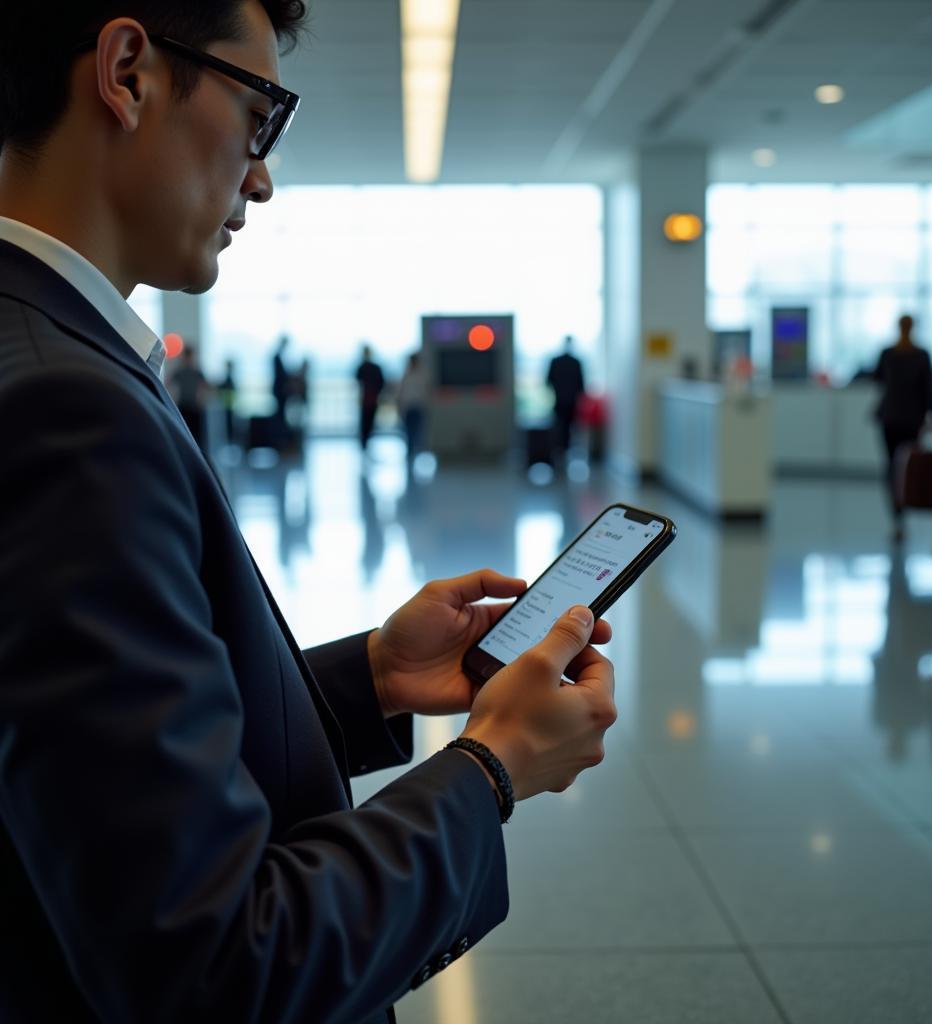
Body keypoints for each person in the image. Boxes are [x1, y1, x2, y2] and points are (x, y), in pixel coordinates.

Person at [0, 4, 617, 1022]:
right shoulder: (67, 410)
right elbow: (214, 970)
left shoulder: (51, 356)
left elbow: (92, 782)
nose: (261, 176)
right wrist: (491, 764)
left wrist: (368, 676)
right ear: (128, 72)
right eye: (259, 114)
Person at [873, 314, 932, 542]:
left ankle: (897, 517)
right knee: (907, 469)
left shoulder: (888, 354)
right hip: (912, 419)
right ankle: (905, 508)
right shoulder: (921, 355)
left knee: (891, 466)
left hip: (890, 416)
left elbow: (878, 379)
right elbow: (927, 390)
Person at [546, 334, 586, 457]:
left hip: (562, 401)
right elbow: (581, 385)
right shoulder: (575, 362)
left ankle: (560, 449)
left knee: (561, 426)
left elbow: (548, 381)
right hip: (568, 401)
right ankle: (562, 449)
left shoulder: (557, 361)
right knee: (565, 427)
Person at [168, 343, 210, 451]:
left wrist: (201, 400)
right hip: (184, 407)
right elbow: (167, 383)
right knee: (186, 436)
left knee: (196, 437)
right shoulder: (181, 371)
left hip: (194, 408)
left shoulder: (196, 372)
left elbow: (206, 387)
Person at [397, 350, 428, 464]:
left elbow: (426, 391)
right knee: (408, 431)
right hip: (408, 407)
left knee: (417, 431)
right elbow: (401, 392)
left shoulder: (422, 375)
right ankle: (410, 452)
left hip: (418, 406)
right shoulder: (407, 375)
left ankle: (416, 451)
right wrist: (400, 405)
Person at [356, 342, 385, 451]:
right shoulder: (373, 368)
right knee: (368, 424)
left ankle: (365, 445)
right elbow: (381, 383)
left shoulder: (363, 368)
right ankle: (365, 445)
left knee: (367, 424)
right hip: (369, 400)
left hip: (369, 400)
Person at [271, 332, 291, 445]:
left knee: (281, 416)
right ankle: (279, 441)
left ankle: (281, 441)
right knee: (279, 417)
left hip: (281, 392)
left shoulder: (279, 357)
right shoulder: (277, 357)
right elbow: (281, 376)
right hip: (280, 392)